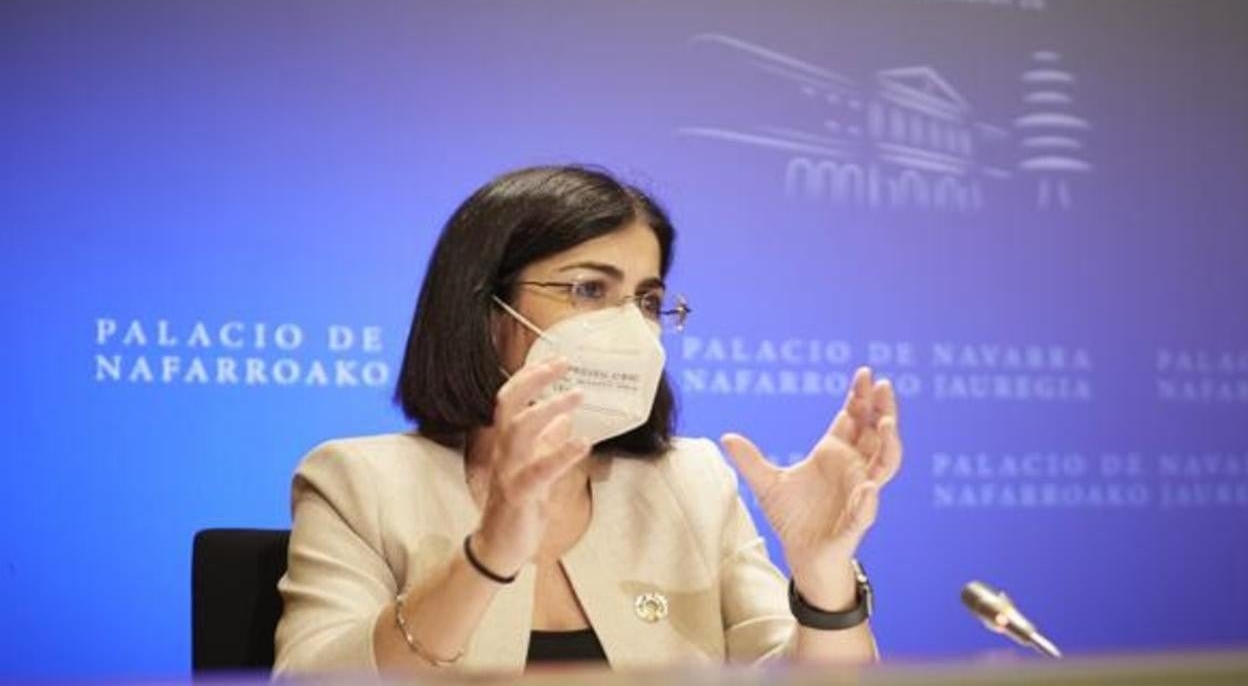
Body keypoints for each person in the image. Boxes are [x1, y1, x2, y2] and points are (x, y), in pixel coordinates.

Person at [273, 164, 903, 674]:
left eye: (647, 300)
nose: (628, 325)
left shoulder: (691, 481)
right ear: (486, 309)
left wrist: (824, 577)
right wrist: (488, 554)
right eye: (588, 290)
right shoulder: (359, 483)